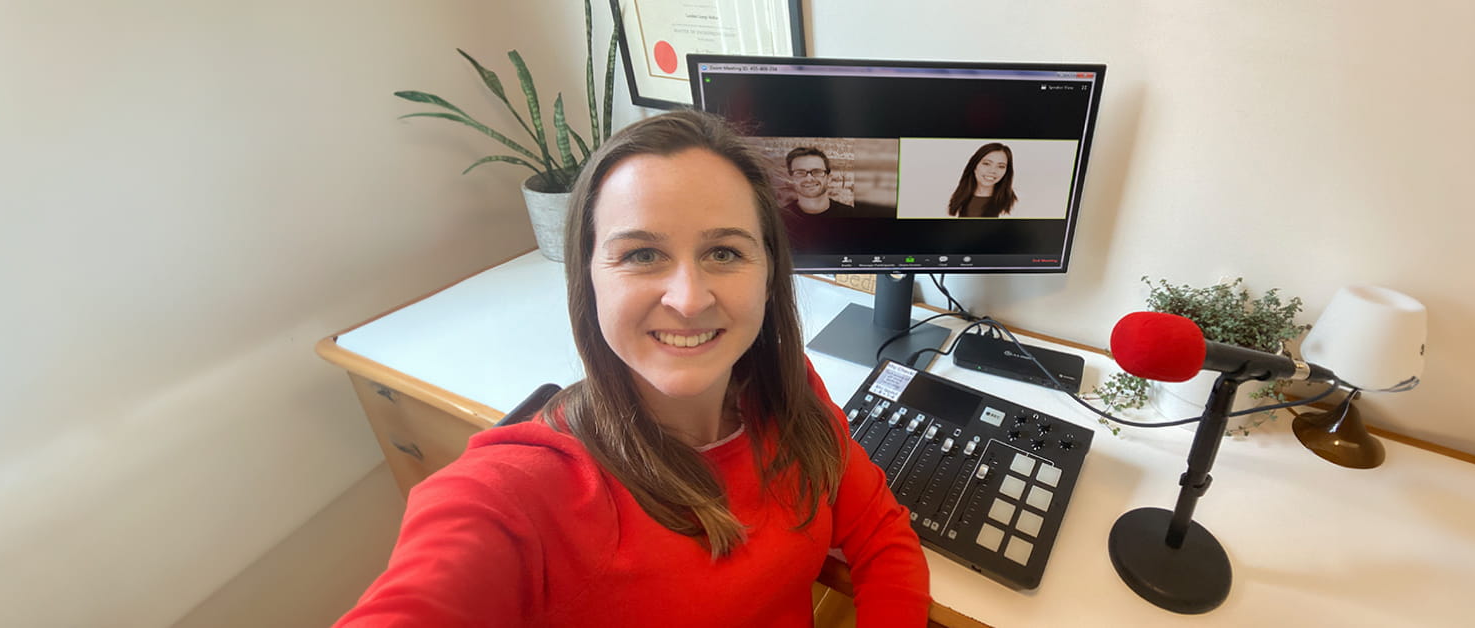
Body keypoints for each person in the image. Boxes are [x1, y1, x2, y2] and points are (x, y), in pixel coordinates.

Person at [336, 110, 931, 626]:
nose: (689, 298)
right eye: (642, 254)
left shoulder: (788, 383)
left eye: (724, 252)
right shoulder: (512, 497)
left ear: (769, 271)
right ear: (587, 279)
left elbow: (883, 538)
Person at [783, 146, 860, 216]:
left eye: (817, 172)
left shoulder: (851, 215)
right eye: (800, 173)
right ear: (791, 179)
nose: (809, 179)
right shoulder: (780, 218)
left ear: (828, 178)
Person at [945, 142, 1015, 218]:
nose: (992, 171)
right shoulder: (954, 198)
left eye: (1001, 166)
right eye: (986, 164)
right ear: (974, 166)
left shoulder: (1015, 204)